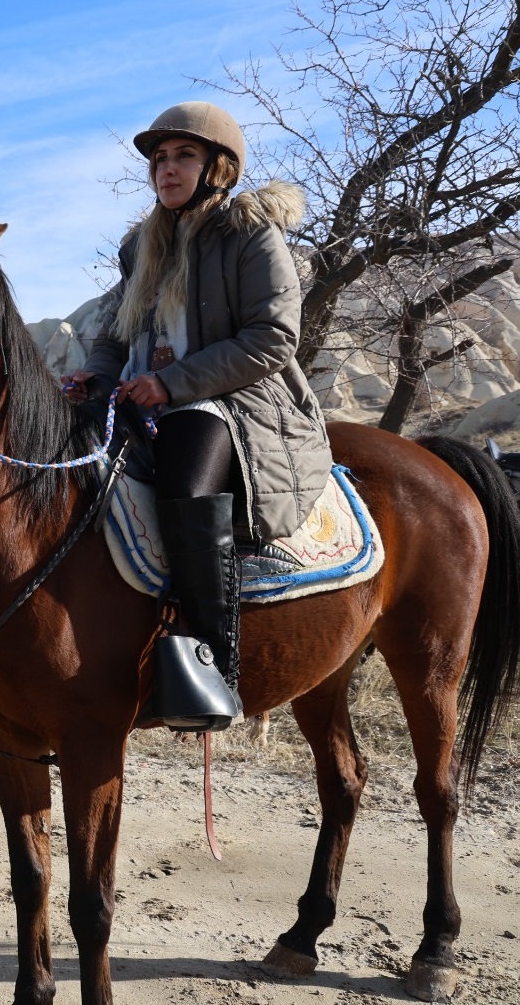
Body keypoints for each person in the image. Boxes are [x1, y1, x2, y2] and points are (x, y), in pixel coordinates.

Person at [64, 102, 332, 730]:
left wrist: (171, 382)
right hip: (147, 393)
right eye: (159, 158)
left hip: (238, 400)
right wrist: (98, 377)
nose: (167, 168)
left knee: (186, 479)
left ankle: (213, 666)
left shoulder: (251, 235)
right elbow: (114, 330)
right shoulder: (142, 246)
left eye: (183, 155)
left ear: (218, 167)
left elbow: (271, 338)